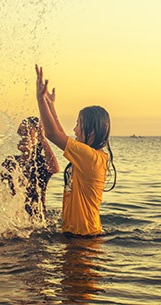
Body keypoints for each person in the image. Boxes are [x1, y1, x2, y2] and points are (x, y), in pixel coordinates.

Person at [34, 65, 116, 237]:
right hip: (79, 236)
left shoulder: (90, 158)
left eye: (78, 125)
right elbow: (60, 134)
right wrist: (50, 105)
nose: (75, 129)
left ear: (91, 132)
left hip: (84, 239)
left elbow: (52, 134)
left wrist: (40, 100)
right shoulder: (91, 156)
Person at [1, 116, 59, 221]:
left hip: (37, 220)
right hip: (15, 219)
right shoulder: (11, 162)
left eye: (27, 133)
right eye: (21, 133)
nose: (23, 137)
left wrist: (42, 137)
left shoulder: (39, 164)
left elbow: (54, 168)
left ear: (37, 138)